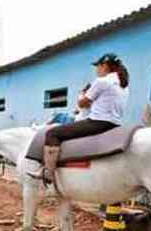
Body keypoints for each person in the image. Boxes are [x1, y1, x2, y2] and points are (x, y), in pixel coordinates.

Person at [41, 53, 130, 185]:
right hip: (115, 124)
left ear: (104, 65)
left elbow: (82, 103)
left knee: (52, 133)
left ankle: (48, 172)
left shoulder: (102, 81)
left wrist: (82, 97)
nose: (97, 70)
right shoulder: (124, 86)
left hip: (97, 123)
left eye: (98, 66)